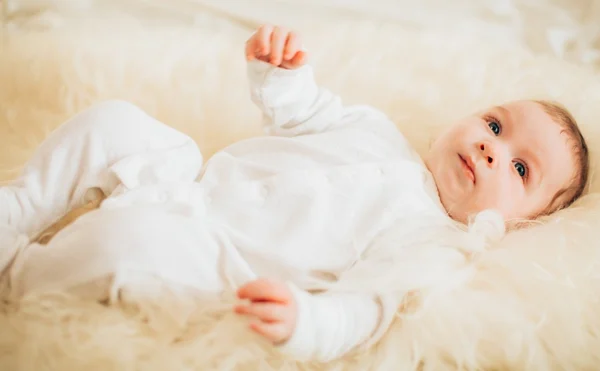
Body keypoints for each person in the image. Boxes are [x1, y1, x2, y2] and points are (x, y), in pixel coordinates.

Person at [0, 24, 589, 362]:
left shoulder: (427, 243)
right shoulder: (375, 128)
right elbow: (303, 115)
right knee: (116, 120)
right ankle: (21, 208)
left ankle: (22, 274)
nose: (493, 149)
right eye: (494, 125)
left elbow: (364, 310)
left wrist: (306, 321)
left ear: (517, 223)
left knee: (124, 244)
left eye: (520, 170)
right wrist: (282, 76)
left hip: (212, 255)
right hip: (191, 181)